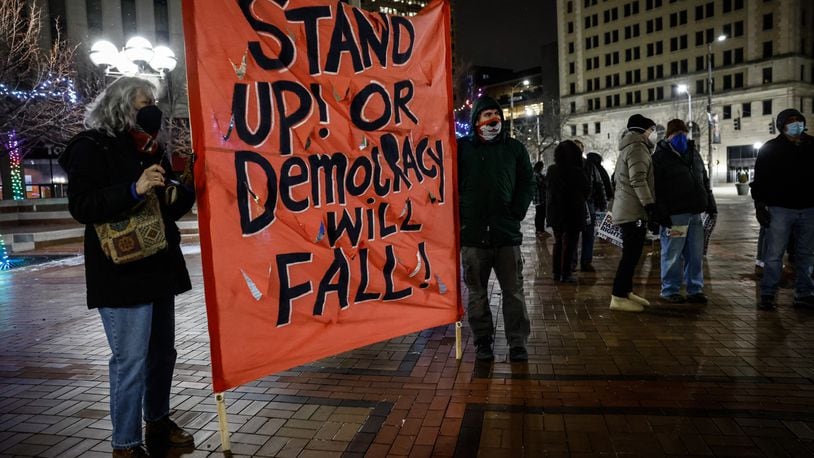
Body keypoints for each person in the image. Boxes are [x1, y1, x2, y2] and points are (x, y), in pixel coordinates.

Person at [58, 77, 196, 457]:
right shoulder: (90, 146)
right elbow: (82, 206)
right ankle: (125, 444)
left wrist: (187, 187)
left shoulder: (150, 147)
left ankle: (157, 421)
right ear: (120, 104)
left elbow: (166, 208)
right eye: (142, 102)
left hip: (157, 267)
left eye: (153, 101)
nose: (150, 108)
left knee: (162, 355)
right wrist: (133, 188)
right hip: (120, 272)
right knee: (130, 360)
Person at [458, 95, 534, 362]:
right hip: (473, 235)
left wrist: (517, 211)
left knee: (513, 292)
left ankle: (517, 343)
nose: (493, 120)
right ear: (476, 120)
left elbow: (527, 182)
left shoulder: (515, 149)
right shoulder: (461, 149)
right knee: (477, 294)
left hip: (506, 235)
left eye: (496, 114)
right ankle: (482, 341)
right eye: (486, 114)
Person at [750, 108, 814, 310]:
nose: (797, 125)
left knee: (806, 254)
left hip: (809, 208)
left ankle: (804, 293)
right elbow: (759, 180)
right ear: (782, 126)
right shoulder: (771, 148)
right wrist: (760, 206)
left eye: (799, 121)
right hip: (780, 209)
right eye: (791, 121)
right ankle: (768, 293)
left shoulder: (812, 145)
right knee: (774, 254)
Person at [652, 119, 717, 304]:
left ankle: (695, 289)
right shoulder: (659, 157)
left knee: (695, 254)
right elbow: (657, 188)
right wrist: (661, 213)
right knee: (672, 254)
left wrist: (710, 203)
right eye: (676, 133)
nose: (681, 136)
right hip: (675, 215)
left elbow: (703, 179)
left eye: (683, 132)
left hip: (695, 213)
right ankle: (670, 290)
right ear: (668, 136)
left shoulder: (693, 154)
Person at [609, 114, 662, 312]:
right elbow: (638, 179)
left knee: (633, 254)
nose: (653, 134)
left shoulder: (631, 147)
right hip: (633, 210)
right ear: (642, 131)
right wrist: (650, 205)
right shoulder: (638, 148)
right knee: (630, 255)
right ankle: (618, 296)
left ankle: (625, 291)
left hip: (630, 208)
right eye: (651, 130)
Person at [546, 140, 590, 282]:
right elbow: (586, 191)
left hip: (556, 212)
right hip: (573, 212)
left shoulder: (552, 170)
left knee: (558, 241)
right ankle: (566, 273)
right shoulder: (578, 171)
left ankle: (556, 273)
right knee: (570, 243)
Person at [576, 151, 611, 272]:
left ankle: (578, 262)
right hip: (586, 202)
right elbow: (601, 184)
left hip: (583, 202)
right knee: (585, 234)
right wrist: (603, 202)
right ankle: (583, 261)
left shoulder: (589, 167)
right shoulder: (592, 167)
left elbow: (599, 184)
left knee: (581, 234)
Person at [532, 160, 548, 236]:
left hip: (538, 198)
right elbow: (544, 184)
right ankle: (540, 230)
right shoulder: (537, 175)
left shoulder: (536, 174)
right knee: (540, 215)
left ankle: (540, 230)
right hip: (540, 198)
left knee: (540, 215)